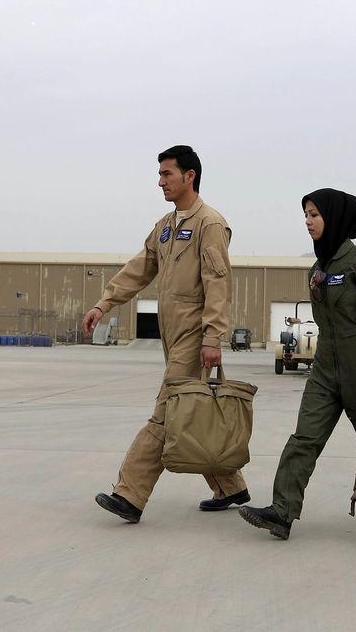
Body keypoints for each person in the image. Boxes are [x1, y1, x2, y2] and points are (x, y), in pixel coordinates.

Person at [84, 145, 249, 523]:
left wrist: (212, 338)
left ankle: (130, 494)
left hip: (194, 336)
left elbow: (218, 283)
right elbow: (139, 268)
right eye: (160, 175)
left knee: (167, 413)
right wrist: (103, 304)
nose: (160, 182)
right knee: (188, 410)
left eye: (167, 174)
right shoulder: (165, 226)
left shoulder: (210, 224)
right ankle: (231, 486)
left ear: (189, 176)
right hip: (171, 336)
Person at [240, 188, 356, 540]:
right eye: (306, 215)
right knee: (304, 438)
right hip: (325, 367)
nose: (308, 221)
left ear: (334, 217)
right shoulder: (317, 268)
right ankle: (282, 512)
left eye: (314, 214)